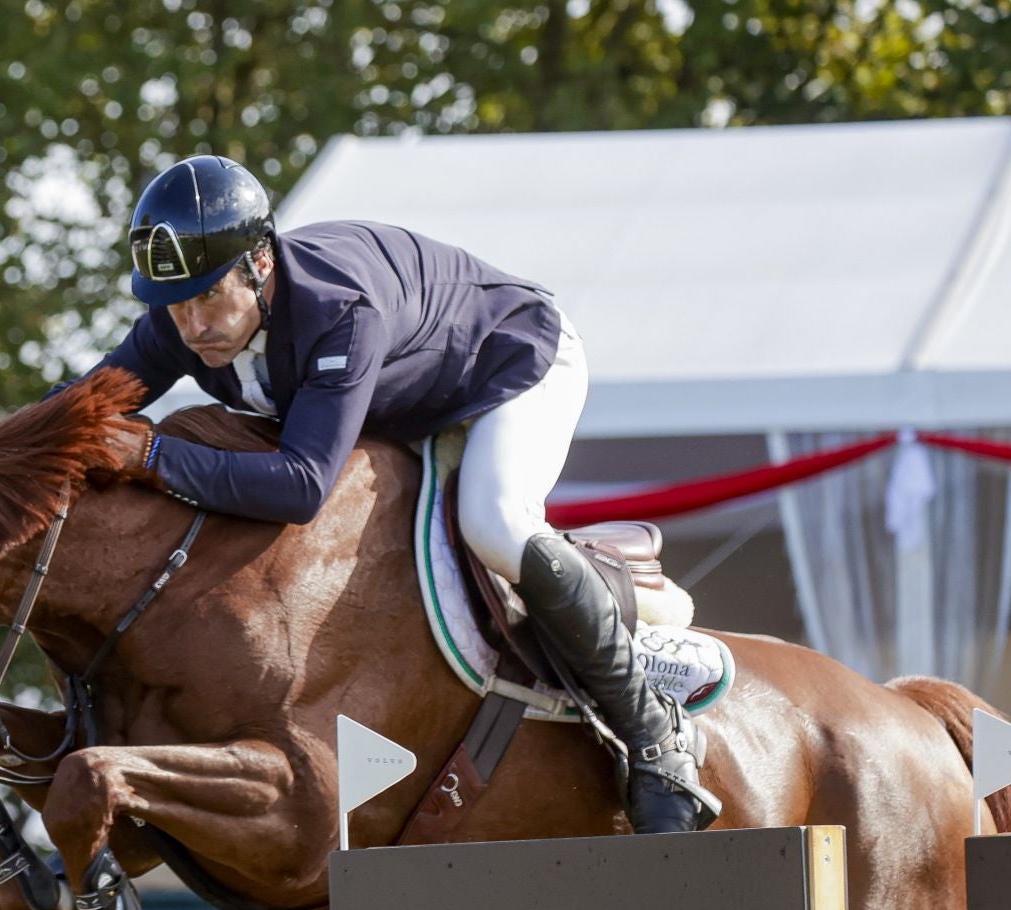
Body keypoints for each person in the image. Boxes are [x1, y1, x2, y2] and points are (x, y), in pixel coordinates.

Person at [76, 154, 718, 835]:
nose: (193, 325)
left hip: (508, 367)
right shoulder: (182, 323)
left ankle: (654, 736)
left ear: (260, 264)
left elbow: (300, 486)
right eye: (174, 305)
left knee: (493, 522)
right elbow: (73, 408)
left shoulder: (335, 310)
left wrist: (150, 454)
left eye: (208, 297)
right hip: (408, 404)